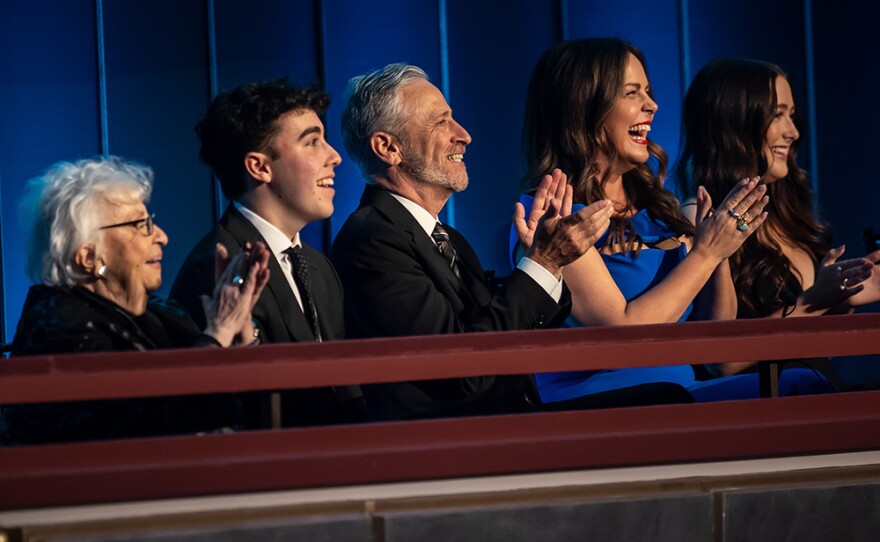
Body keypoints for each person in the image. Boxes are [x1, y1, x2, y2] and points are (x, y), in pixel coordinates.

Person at [517, 38, 833, 403]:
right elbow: (622, 338)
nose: (651, 106)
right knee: (799, 388)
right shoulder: (552, 211)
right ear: (584, 107)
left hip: (678, 394)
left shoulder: (658, 210)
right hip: (603, 405)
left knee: (807, 384)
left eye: (648, 92)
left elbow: (716, 348)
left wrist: (719, 251)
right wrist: (704, 254)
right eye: (632, 93)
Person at [330, 63, 616, 420]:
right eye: (440, 122)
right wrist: (542, 264)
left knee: (664, 398)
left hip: (511, 419)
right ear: (388, 148)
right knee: (663, 402)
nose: (464, 135)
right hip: (452, 444)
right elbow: (460, 369)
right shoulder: (370, 241)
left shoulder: (450, 239)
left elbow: (501, 332)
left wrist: (539, 266)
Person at [3, 156, 270, 445]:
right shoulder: (58, 332)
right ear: (89, 257)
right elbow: (153, 428)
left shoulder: (163, 313)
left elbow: (233, 415)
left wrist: (240, 332)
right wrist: (218, 331)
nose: (163, 237)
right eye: (141, 225)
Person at [171, 79, 365, 425]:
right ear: (259, 167)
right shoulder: (216, 269)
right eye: (312, 142)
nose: (334, 157)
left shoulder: (319, 267)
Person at [677, 58, 879, 376]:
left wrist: (843, 295)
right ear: (736, 123)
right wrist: (812, 302)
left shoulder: (786, 210)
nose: (794, 132)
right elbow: (722, 361)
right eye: (778, 115)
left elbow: (808, 345)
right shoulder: (699, 217)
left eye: (792, 116)